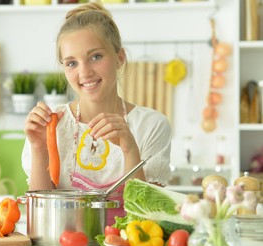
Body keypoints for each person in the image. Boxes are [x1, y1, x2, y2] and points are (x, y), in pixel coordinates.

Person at [22, 1, 171, 225]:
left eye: (95, 57)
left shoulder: (150, 125)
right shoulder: (52, 125)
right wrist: (38, 147)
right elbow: (42, 218)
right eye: (72, 63)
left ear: (120, 58)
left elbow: (148, 219)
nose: (85, 72)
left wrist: (130, 148)